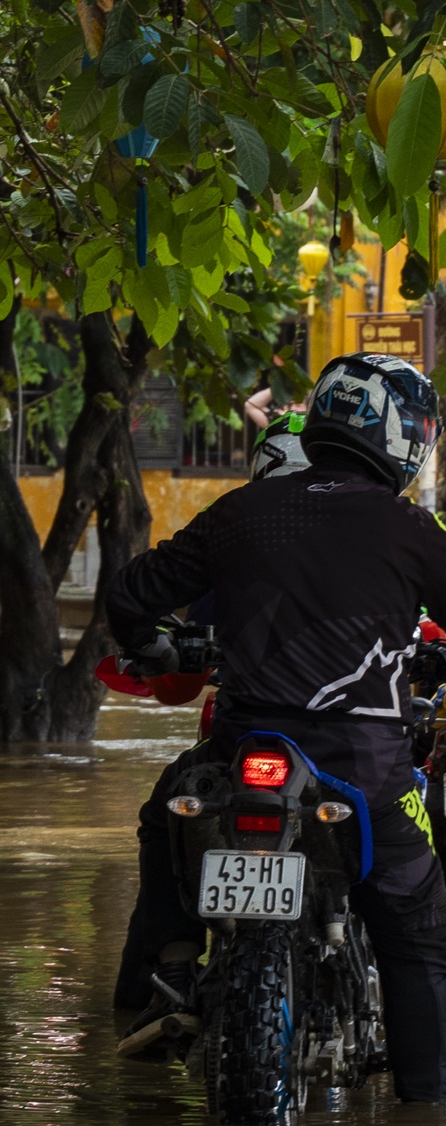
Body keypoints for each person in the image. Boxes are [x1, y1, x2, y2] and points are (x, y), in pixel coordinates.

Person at [107, 353, 446, 1104]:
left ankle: (168, 974)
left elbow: (135, 591)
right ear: (406, 439)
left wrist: (151, 646)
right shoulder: (411, 528)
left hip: (242, 753)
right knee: (425, 933)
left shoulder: (243, 510)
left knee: (164, 816)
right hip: (363, 769)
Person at [112, 414, 313, 1019]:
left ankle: (169, 966)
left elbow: (178, 663)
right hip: (346, 739)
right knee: (404, 855)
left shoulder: (232, 532)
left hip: (239, 736)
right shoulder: (378, 536)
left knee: (167, 816)